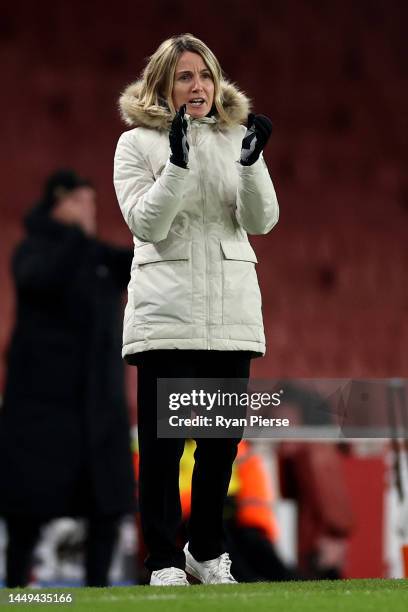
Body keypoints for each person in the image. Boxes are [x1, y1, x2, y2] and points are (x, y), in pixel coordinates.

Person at [114, 33, 279, 586]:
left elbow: (261, 221)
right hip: (167, 314)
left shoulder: (236, 138)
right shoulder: (135, 144)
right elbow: (147, 224)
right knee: (162, 446)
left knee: (220, 444)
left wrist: (252, 164)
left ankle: (206, 552)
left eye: (205, 74)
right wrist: (178, 164)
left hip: (229, 313)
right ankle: (163, 559)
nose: (199, 85)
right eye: (185, 76)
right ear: (163, 84)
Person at [0, 170, 136, 587]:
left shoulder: (101, 258)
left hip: (99, 408)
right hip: (42, 410)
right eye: (78, 200)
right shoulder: (34, 251)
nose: (88, 209)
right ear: (56, 205)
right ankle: (19, 590)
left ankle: (98, 594)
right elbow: (39, 278)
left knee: (106, 509)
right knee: (26, 510)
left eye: (91, 201)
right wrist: (76, 239)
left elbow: (141, 264)